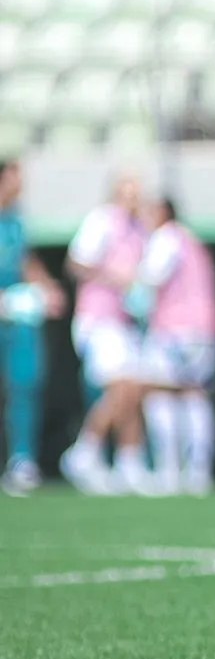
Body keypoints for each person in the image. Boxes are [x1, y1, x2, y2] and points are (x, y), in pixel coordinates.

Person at [59, 174, 152, 495]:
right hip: (99, 319)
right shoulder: (101, 221)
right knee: (121, 387)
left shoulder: (140, 230)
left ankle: (130, 464)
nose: (133, 200)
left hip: (126, 322)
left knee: (134, 390)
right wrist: (114, 278)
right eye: (127, 193)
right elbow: (76, 263)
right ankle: (84, 452)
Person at [128, 198, 215, 496]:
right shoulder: (193, 241)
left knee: (159, 393)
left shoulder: (165, 238)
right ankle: (199, 472)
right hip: (206, 330)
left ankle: (168, 470)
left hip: (174, 329)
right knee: (195, 394)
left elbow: (150, 280)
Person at [0, 158, 65, 496]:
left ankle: (21, 460)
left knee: (24, 385)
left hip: (15, 318)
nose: (21, 184)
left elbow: (26, 261)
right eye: (15, 177)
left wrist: (46, 287)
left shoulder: (15, 220)